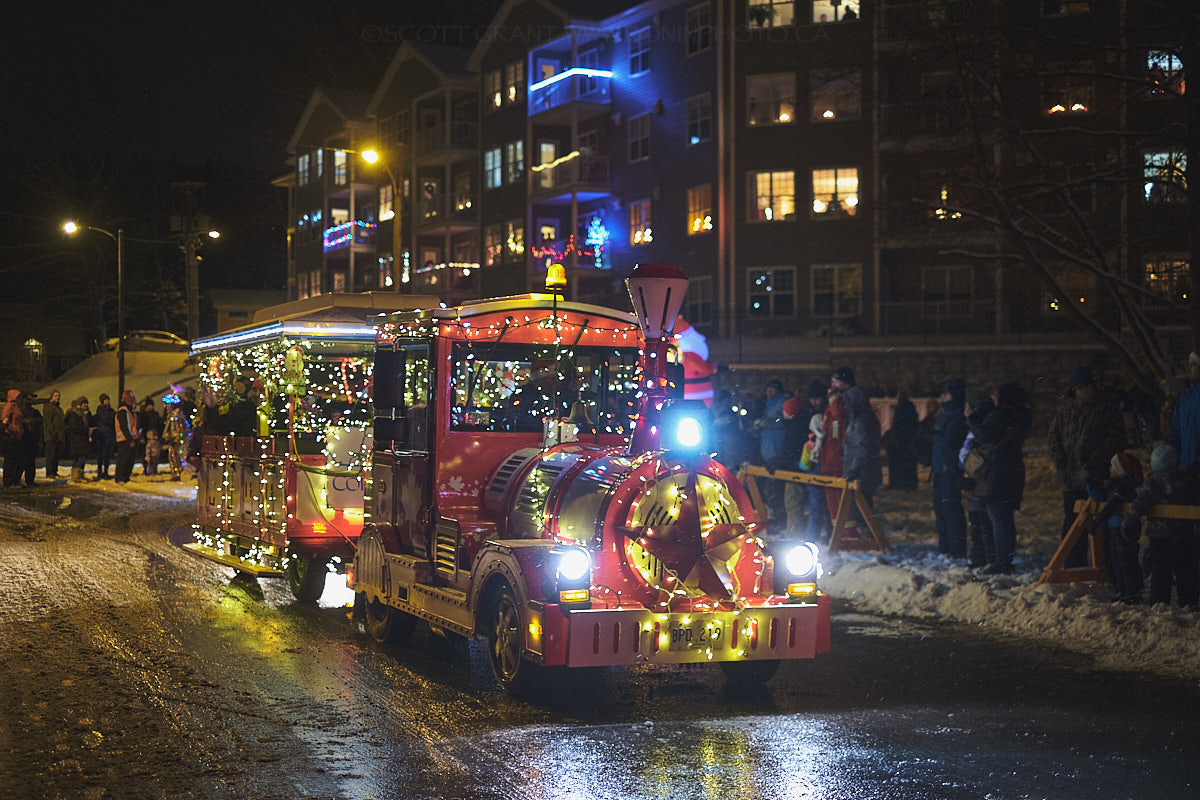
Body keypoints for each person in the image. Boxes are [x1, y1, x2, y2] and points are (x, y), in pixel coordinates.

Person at [1047, 365, 1126, 568]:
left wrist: (1097, 460)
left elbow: (1116, 439)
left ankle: (1106, 568)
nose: (1085, 391)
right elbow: (1054, 435)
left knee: (1100, 524)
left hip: (1095, 478)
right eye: (1080, 387)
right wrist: (1059, 457)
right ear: (1074, 389)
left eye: (1088, 387)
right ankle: (1074, 566)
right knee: (1072, 524)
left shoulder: (1105, 408)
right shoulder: (1065, 408)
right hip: (1070, 479)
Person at [1121, 445, 1198, 608]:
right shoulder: (1187, 482)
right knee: (1185, 571)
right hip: (1184, 535)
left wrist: (1127, 523)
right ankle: (1189, 602)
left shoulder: (1152, 483)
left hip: (1160, 537)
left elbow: (1138, 505)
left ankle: (1159, 603)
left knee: (1161, 572)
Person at [968, 382, 1032, 574]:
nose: (993, 398)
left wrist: (971, 418)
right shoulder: (1020, 415)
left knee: (998, 517)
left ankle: (1002, 563)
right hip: (1013, 470)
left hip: (998, 471)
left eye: (996, 394)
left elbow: (986, 436)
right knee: (1005, 518)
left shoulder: (1001, 415)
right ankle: (1005, 559)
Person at [1090, 452, 1144, 604]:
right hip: (1114, 527)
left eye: (1113, 467)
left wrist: (1097, 521)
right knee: (1116, 559)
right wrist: (1092, 485)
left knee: (1126, 560)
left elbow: (1112, 505)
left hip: (1125, 529)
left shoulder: (1125, 486)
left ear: (1121, 471)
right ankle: (1122, 589)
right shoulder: (1114, 485)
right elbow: (1100, 499)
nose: (1110, 469)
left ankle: (1132, 592)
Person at [931, 379, 968, 558]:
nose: (942, 398)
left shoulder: (957, 414)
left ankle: (957, 547)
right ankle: (945, 545)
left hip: (949, 467)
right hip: (939, 466)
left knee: (951, 508)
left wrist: (936, 435)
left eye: (946, 394)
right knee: (940, 508)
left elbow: (950, 439)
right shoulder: (945, 413)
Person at [959, 390, 995, 568]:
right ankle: (979, 556)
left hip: (980, 479)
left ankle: (987, 557)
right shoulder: (976, 428)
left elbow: (978, 452)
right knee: (976, 520)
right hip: (974, 479)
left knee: (983, 521)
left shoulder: (980, 428)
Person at [755, 379, 788, 525]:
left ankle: (779, 518)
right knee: (769, 486)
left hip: (776, 450)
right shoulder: (768, 404)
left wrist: (766, 422)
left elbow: (778, 421)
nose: (768, 392)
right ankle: (774, 516)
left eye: (772, 389)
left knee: (775, 487)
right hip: (768, 450)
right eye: (768, 388)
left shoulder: (781, 403)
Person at [776, 395, 809, 537]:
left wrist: (781, 462)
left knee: (793, 503)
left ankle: (795, 535)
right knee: (794, 503)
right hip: (794, 469)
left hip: (794, 472)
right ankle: (795, 532)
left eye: (785, 410)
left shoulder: (794, 428)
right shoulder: (798, 425)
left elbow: (791, 451)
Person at [1169, 350, 1200, 475]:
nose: (1188, 367)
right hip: (1186, 469)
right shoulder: (1184, 398)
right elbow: (1176, 434)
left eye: (1193, 364)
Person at [886, 390, 919, 490]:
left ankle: (898, 483)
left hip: (901, 439)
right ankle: (910, 483)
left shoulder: (900, 408)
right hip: (908, 439)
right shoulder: (911, 408)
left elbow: (896, 424)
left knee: (899, 463)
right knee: (908, 462)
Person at [64, 396, 94, 482]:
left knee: (80, 458)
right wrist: (87, 429)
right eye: (79, 405)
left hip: (81, 440)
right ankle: (77, 477)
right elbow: (75, 427)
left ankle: (79, 475)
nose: (80, 407)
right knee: (79, 458)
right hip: (77, 440)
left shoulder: (81, 415)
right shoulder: (73, 416)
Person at [114, 390, 140, 484]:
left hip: (130, 439)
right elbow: (124, 427)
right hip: (124, 440)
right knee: (123, 460)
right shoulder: (123, 411)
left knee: (130, 460)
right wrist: (130, 439)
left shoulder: (131, 411)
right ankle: (120, 478)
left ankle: (125, 477)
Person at [2, 389, 26, 487]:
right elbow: (4, 422)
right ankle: (8, 482)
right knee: (10, 460)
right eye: (17, 396)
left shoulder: (16, 406)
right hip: (11, 436)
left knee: (18, 460)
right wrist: (13, 430)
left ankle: (16, 480)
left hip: (18, 437)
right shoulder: (8, 407)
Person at [18, 392, 41, 487]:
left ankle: (30, 480)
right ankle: (16, 480)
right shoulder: (21, 410)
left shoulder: (34, 411)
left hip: (32, 438)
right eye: (30, 398)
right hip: (24, 438)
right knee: (23, 460)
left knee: (31, 461)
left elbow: (40, 420)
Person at [42, 389, 66, 480]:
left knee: (56, 455)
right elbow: (48, 421)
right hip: (51, 436)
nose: (58, 397)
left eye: (58, 395)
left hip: (58, 436)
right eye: (55, 395)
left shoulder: (58, 408)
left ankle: (54, 471)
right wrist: (52, 432)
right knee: (51, 455)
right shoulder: (49, 407)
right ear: (51, 397)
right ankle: (49, 472)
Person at [162, 401, 190, 481]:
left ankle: (178, 473)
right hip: (173, 439)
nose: (165, 406)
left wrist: (177, 439)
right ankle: (176, 473)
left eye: (167, 404)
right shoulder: (171, 415)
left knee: (176, 457)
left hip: (176, 440)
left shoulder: (176, 415)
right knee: (173, 457)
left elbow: (180, 429)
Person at [94, 393, 117, 480]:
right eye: (105, 400)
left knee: (107, 455)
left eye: (108, 399)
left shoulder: (111, 410)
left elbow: (114, 419)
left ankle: (106, 471)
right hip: (102, 435)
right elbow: (105, 419)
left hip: (109, 435)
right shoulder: (100, 409)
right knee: (101, 455)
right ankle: (100, 472)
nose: (107, 401)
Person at [140, 398, 162, 476]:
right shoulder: (143, 415)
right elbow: (141, 426)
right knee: (146, 454)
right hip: (147, 436)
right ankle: (146, 469)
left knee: (155, 454)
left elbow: (159, 424)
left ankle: (153, 469)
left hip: (154, 436)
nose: (151, 407)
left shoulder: (155, 414)